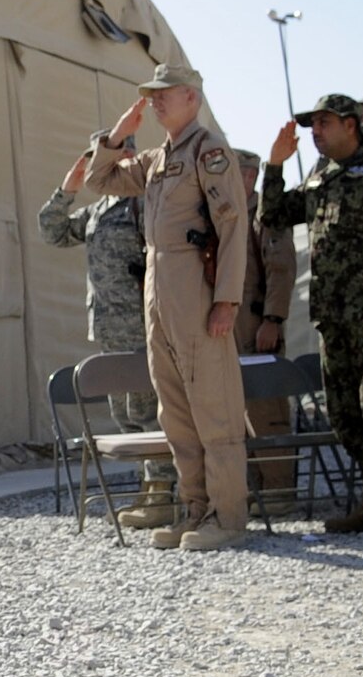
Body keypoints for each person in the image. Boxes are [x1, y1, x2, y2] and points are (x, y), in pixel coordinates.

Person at [82, 63, 250, 551]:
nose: (154, 101)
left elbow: (233, 225)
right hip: (158, 286)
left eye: (164, 94)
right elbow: (101, 179)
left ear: (191, 98)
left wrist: (227, 301)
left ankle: (228, 516)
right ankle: (195, 509)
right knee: (175, 407)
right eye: (150, 95)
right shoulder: (157, 158)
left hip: (195, 281)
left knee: (213, 405)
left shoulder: (208, 150)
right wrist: (117, 135)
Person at [263, 94, 363, 537]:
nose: (315, 131)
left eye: (324, 123)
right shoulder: (322, 180)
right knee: (345, 414)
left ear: (351, 125)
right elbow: (273, 215)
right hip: (333, 319)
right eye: (312, 124)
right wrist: (274, 166)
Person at [38, 136, 178, 528]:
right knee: (125, 415)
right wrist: (68, 187)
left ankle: (163, 494)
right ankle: (146, 489)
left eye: (102, 157)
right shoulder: (100, 208)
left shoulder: (144, 201)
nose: (95, 163)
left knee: (149, 412)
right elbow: (53, 232)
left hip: (141, 324)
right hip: (108, 328)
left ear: (127, 157)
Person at [234, 149, 298, 514]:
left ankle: (277, 490)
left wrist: (272, 320)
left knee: (266, 409)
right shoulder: (225, 214)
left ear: (248, 177)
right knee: (236, 412)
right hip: (229, 327)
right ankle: (250, 489)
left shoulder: (266, 216)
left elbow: (280, 270)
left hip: (258, 325)